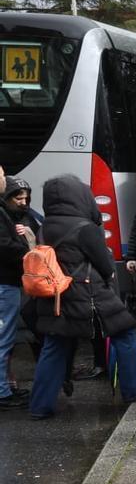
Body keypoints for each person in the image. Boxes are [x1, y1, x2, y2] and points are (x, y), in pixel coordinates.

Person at [27, 175, 136, 418]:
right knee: (125, 334)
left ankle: (39, 406)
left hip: (56, 297)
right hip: (90, 295)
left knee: (55, 347)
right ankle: (135, 389)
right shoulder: (84, 227)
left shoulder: (45, 226)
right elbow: (106, 265)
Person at [0, 170, 30, 409]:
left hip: (7, 283)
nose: (3, 178)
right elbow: (5, 247)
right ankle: (2, 392)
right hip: (4, 283)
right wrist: (27, 250)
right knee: (3, 338)